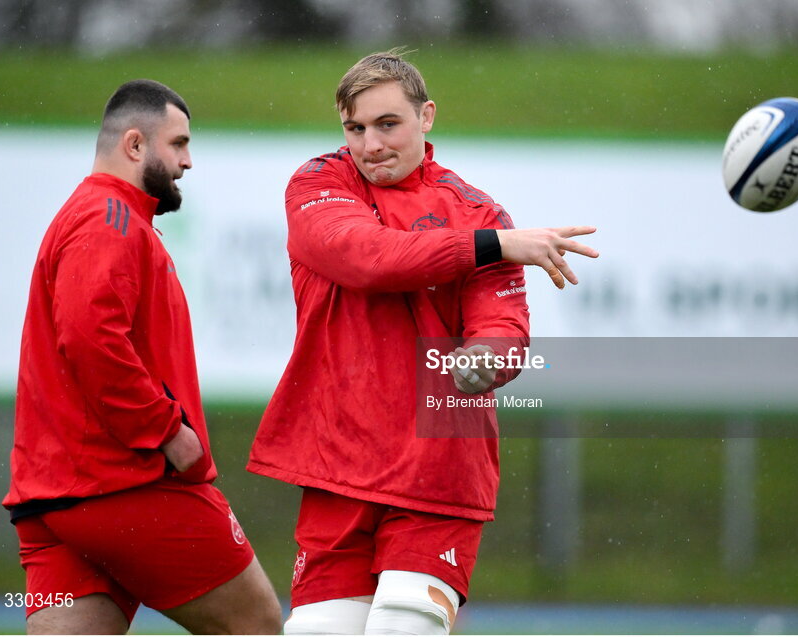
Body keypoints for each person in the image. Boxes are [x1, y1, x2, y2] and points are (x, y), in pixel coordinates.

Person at [247, 50, 598, 635]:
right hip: (338, 465)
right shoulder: (317, 182)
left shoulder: (477, 211)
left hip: (437, 465)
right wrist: (491, 244)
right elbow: (366, 258)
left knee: (403, 625)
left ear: (426, 116)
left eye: (388, 124)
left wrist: (484, 360)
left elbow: (504, 330)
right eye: (355, 128)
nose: (370, 144)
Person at [3, 79, 281, 635]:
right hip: (123, 487)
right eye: (177, 144)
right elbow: (90, 338)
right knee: (256, 623)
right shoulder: (111, 219)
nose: (188, 161)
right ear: (135, 145)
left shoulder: (93, 216)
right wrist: (165, 430)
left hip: (54, 502)